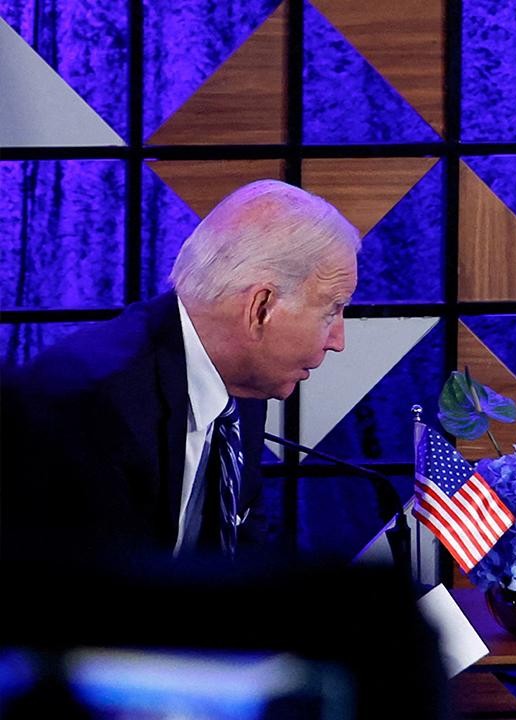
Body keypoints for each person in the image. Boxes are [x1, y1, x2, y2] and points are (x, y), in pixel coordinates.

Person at [1, 179, 360, 563]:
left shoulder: (242, 384)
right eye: (331, 311)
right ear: (261, 308)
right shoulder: (92, 404)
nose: (338, 340)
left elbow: (241, 548)